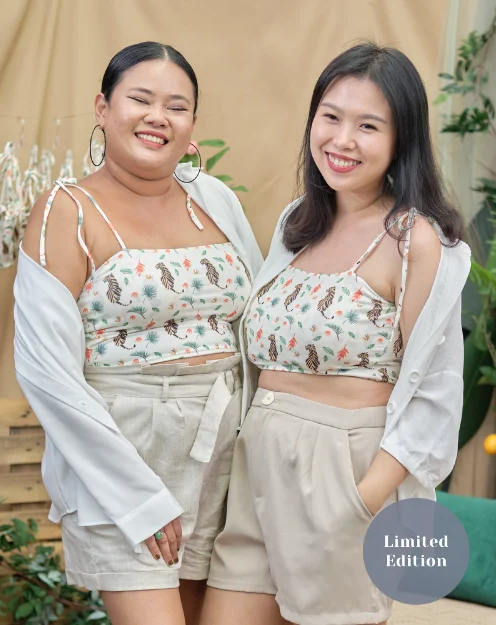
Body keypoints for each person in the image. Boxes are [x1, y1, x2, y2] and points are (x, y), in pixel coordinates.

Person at [202, 43, 471, 625]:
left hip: (343, 475)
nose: (342, 140)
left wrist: (363, 498)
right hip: (260, 465)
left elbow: (437, 389)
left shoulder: (416, 242)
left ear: (403, 139)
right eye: (331, 116)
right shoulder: (297, 222)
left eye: (368, 125)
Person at [14, 41, 262, 625]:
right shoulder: (65, 210)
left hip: (224, 460)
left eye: (177, 106)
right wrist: (138, 499)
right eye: (140, 99)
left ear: (193, 124)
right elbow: (48, 376)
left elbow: (255, 321)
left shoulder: (216, 200)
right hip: (124, 459)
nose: (158, 117)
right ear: (103, 108)